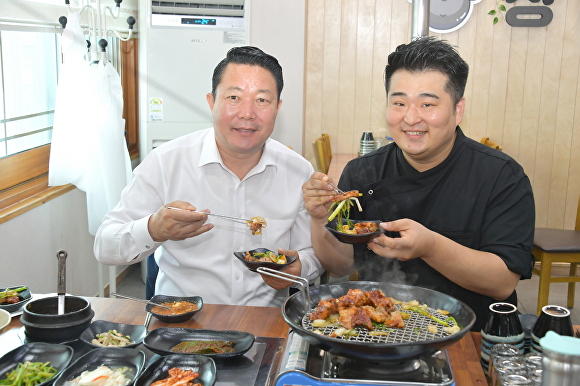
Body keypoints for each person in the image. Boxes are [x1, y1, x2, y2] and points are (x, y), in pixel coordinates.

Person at [302, 37, 535, 331]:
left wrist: (429, 246)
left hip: (472, 336)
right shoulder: (363, 172)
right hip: (383, 331)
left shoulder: (502, 177)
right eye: (399, 103)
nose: (411, 118)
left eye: (427, 104)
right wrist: (319, 218)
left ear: (458, 109)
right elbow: (340, 266)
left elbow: (502, 283)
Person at [95, 46, 323, 307]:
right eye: (234, 97)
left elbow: (313, 253)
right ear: (212, 102)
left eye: (262, 100)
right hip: (181, 322)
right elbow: (105, 245)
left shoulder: (298, 171)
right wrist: (153, 229)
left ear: (277, 107)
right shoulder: (166, 162)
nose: (247, 113)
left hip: (264, 322)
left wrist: (298, 268)